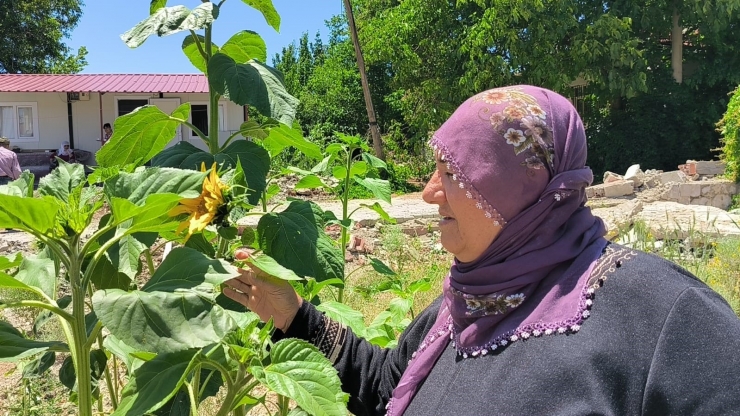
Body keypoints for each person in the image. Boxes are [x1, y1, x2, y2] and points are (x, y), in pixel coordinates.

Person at [224, 85, 740, 415]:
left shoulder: (665, 318)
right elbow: (386, 386)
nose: (428, 191)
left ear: (514, 187)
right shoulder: (465, 300)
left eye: (453, 173)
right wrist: (292, 315)